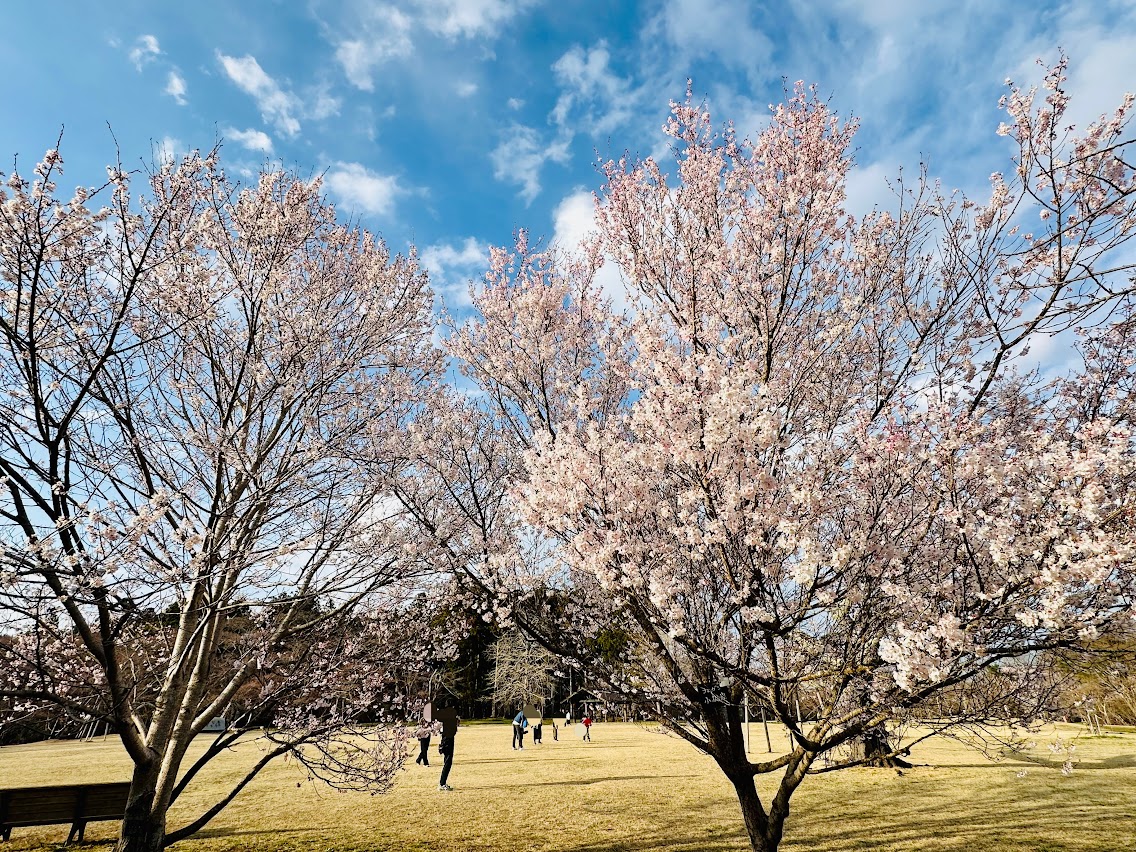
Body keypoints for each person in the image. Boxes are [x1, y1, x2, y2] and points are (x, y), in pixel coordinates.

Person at [438, 714, 459, 791]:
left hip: (447, 744)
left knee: (447, 763)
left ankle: (443, 782)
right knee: (448, 763)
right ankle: (442, 783)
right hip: (447, 745)